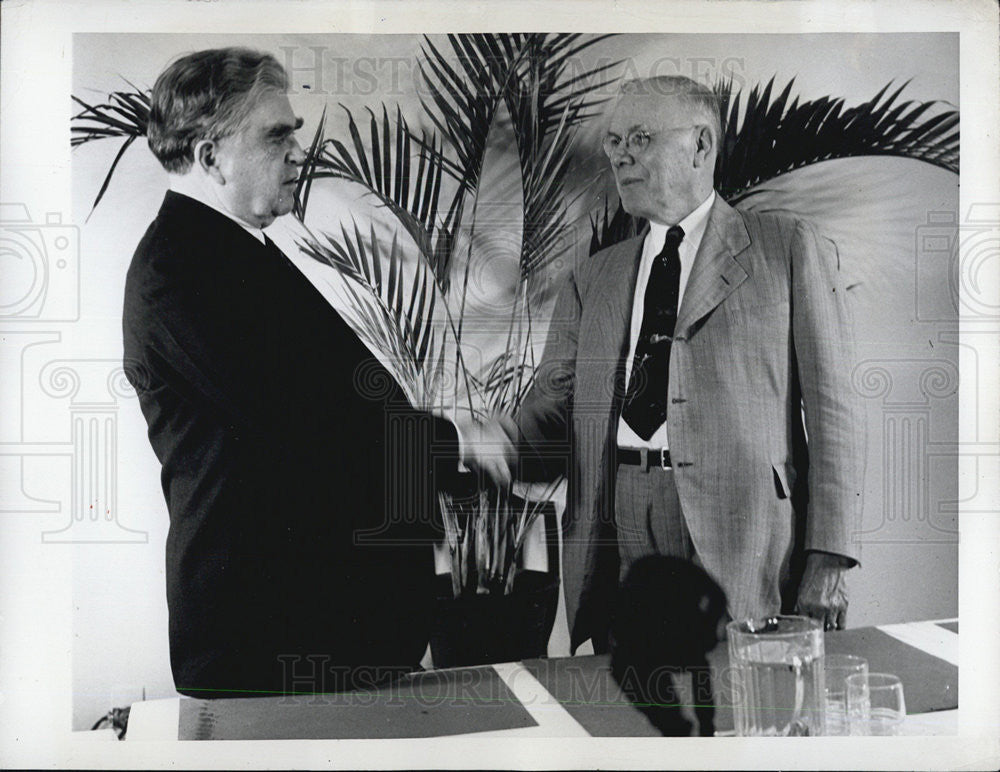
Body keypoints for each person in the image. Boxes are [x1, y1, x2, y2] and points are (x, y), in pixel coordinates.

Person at [123, 47, 512, 697]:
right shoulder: (180, 272)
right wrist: (462, 441)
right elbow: (314, 427)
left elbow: (336, 405)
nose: (296, 152)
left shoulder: (229, 252)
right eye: (276, 135)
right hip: (273, 643)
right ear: (210, 154)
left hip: (317, 634)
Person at [513, 75, 866, 654]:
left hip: (746, 525)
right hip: (617, 517)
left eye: (640, 138)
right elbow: (551, 414)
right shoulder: (593, 278)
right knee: (636, 712)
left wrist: (831, 555)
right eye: (614, 141)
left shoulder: (786, 248)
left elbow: (836, 414)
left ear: (701, 145)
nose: (620, 154)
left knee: (742, 708)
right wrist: (481, 443)